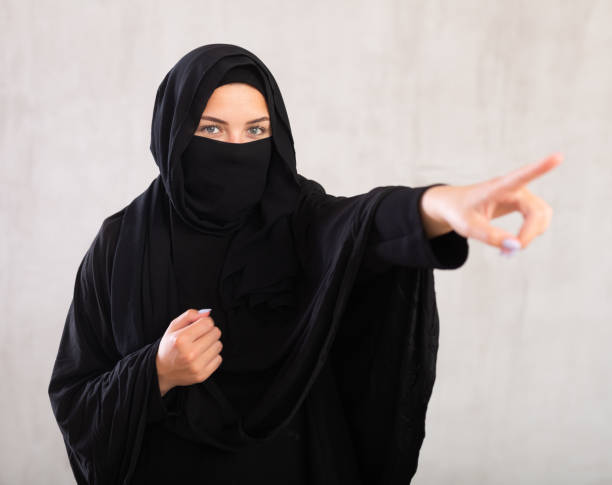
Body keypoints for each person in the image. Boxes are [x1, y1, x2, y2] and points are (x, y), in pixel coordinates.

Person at [47, 43, 561, 484]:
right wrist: (155, 372)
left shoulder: (300, 221)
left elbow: (363, 226)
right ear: (173, 133)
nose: (236, 149)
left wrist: (437, 204)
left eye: (255, 131)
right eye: (211, 129)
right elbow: (75, 398)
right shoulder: (120, 245)